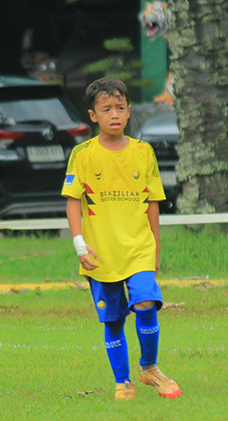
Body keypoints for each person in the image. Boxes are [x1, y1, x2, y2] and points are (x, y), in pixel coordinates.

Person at [61, 77, 181, 401]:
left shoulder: (143, 152)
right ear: (93, 116)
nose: (114, 114)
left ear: (129, 111)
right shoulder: (83, 154)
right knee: (113, 319)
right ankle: (123, 381)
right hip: (101, 253)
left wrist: (155, 249)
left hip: (139, 249)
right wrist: (79, 245)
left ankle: (149, 367)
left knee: (145, 304)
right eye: (106, 109)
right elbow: (73, 203)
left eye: (120, 107)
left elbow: (152, 203)